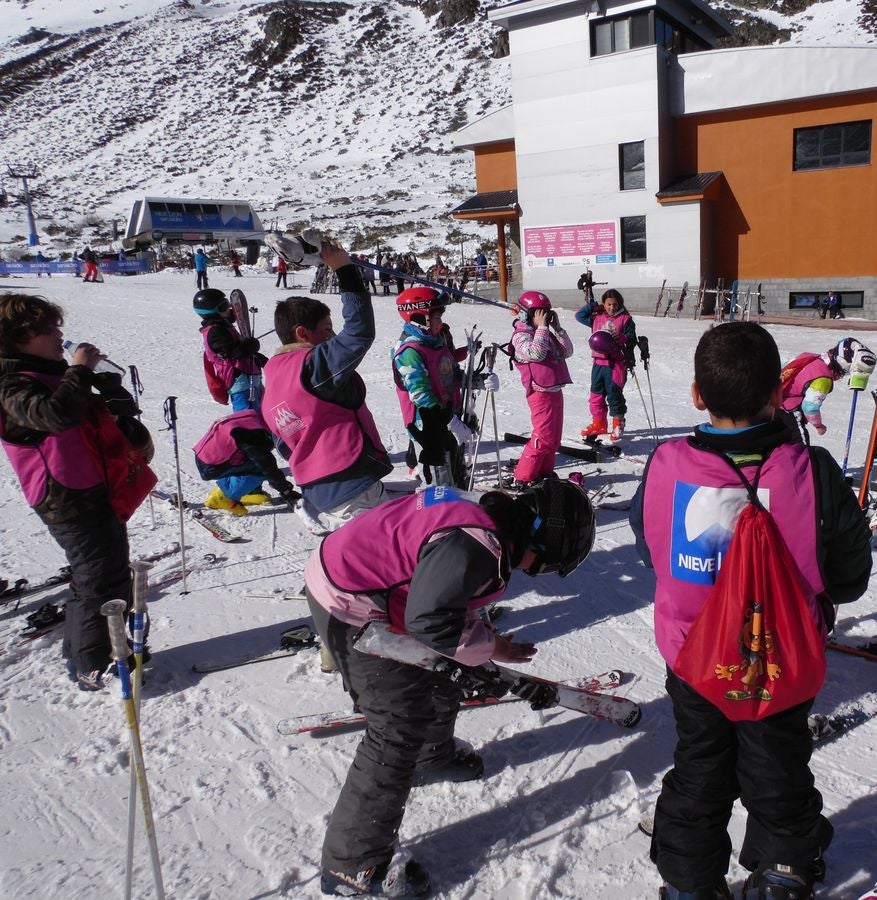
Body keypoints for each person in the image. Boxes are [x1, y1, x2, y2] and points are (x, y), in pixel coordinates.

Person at [631, 322, 872, 899]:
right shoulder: (811, 472)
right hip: (781, 656)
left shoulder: (666, 462)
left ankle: (690, 886)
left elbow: (649, 546)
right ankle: (781, 874)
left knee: (700, 767)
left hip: (694, 656)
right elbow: (850, 575)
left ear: (697, 393)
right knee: (778, 769)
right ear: (775, 395)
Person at [305, 478, 596, 897]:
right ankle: (354, 865)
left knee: (443, 675)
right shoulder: (475, 545)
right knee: (396, 726)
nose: (536, 573)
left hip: (370, 588)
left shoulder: (487, 518)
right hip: (350, 606)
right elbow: (432, 621)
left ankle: (432, 756)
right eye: (544, 564)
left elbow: (449, 598)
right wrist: (487, 647)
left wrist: (483, 643)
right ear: (538, 538)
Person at [0, 294, 157, 690]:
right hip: (64, 498)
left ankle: (95, 651)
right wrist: (80, 372)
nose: (59, 335)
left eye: (57, 327)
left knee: (105, 575)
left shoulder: (51, 374)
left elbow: (89, 422)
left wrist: (115, 406)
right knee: (99, 581)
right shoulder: (11, 384)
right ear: (19, 338)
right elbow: (54, 416)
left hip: (92, 489)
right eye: (48, 330)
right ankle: (93, 663)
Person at [262, 236, 392, 530]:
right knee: (379, 560)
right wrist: (344, 269)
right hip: (351, 484)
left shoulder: (274, 376)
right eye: (326, 329)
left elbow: (282, 439)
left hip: (321, 487)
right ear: (302, 333)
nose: (333, 337)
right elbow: (359, 332)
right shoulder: (313, 366)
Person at [390, 286, 474, 488]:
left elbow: (449, 375)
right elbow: (420, 395)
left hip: (447, 418)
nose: (440, 322)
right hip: (428, 428)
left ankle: (457, 507)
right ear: (420, 318)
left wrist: (475, 380)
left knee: (455, 470)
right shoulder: (409, 352)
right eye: (436, 317)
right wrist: (451, 422)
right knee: (439, 480)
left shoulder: (436, 343)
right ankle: (439, 513)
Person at [507, 290, 573, 489]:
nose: (543, 316)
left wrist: (557, 329)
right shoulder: (521, 336)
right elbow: (535, 353)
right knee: (543, 437)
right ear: (528, 314)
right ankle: (523, 476)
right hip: (539, 392)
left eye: (546, 312)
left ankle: (543, 471)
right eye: (539, 312)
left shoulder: (544, 333)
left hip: (555, 390)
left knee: (553, 439)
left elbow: (567, 351)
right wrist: (543, 328)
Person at [193, 408, 300, 515]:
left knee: (251, 461)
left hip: (208, 454)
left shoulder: (258, 418)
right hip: (210, 466)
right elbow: (267, 466)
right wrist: (286, 491)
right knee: (260, 468)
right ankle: (222, 497)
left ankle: (237, 490)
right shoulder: (250, 437)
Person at [779, 337, 876, 438]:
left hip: (775, 405)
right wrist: (818, 426)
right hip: (789, 414)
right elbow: (810, 407)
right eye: (843, 373)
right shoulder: (823, 379)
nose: (840, 377)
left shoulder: (810, 357)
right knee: (800, 448)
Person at [576, 287, 637, 442]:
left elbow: (632, 339)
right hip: (598, 363)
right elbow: (579, 315)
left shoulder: (625, 319)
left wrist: (621, 337)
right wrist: (593, 305)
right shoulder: (597, 317)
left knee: (614, 394)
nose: (611, 307)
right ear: (604, 304)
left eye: (615, 304)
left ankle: (618, 423)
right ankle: (599, 423)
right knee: (596, 395)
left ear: (620, 304)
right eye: (608, 304)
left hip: (615, 364)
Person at [195, 288, 264, 412]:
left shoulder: (223, 326)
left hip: (249, 376)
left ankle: (262, 430)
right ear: (211, 313)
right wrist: (250, 346)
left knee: (262, 410)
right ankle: (247, 430)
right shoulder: (215, 332)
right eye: (223, 307)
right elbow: (234, 353)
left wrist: (258, 358)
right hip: (239, 381)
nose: (228, 309)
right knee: (246, 414)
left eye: (227, 304)